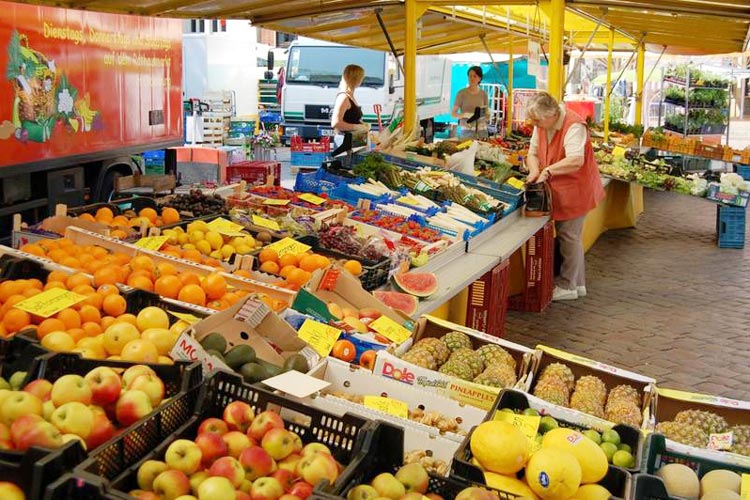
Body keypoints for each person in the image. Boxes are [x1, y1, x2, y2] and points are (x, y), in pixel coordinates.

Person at [524, 91, 606, 302]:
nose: (534, 124)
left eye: (537, 120)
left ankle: (568, 285)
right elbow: (532, 153)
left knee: (569, 236)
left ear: (551, 115)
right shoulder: (542, 125)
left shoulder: (574, 126)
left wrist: (547, 171)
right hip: (559, 189)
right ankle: (577, 284)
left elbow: (576, 160)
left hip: (576, 189)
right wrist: (534, 171)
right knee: (569, 236)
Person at [331, 64, 370, 149]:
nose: (362, 80)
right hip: (345, 143)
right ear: (356, 79)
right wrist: (356, 127)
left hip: (353, 142)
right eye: (361, 77)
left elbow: (350, 117)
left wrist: (362, 125)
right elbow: (335, 123)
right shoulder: (343, 97)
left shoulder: (350, 96)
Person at [451, 66, 489, 139]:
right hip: (466, 131)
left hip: (481, 132)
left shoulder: (484, 94)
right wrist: (464, 115)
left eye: (475, 76)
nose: (472, 78)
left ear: (479, 78)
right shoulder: (461, 93)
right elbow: (453, 114)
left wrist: (485, 116)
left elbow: (486, 113)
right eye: (470, 76)